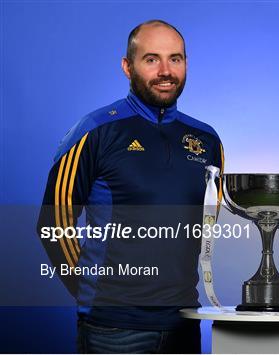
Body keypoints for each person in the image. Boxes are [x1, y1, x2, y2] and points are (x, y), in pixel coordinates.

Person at [36, 19, 224, 353]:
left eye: (175, 59)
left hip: (184, 324)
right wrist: (96, 294)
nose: (165, 70)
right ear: (127, 66)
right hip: (113, 331)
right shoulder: (96, 130)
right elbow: (53, 223)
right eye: (151, 59)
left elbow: (207, 225)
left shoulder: (207, 141)